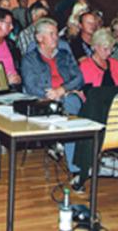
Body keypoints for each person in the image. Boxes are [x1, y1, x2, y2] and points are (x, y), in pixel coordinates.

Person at [21, 18, 83, 173]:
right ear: (39, 38)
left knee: (74, 103)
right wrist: (53, 93)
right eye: (52, 34)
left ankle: (61, 144)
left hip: (65, 96)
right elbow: (31, 86)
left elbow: (79, 78)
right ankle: (75, 168)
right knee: (72, 105)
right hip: (43, 100)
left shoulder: (65, 55)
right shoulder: (29, 59)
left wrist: (62, 90)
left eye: (56, 34)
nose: (56, 37)